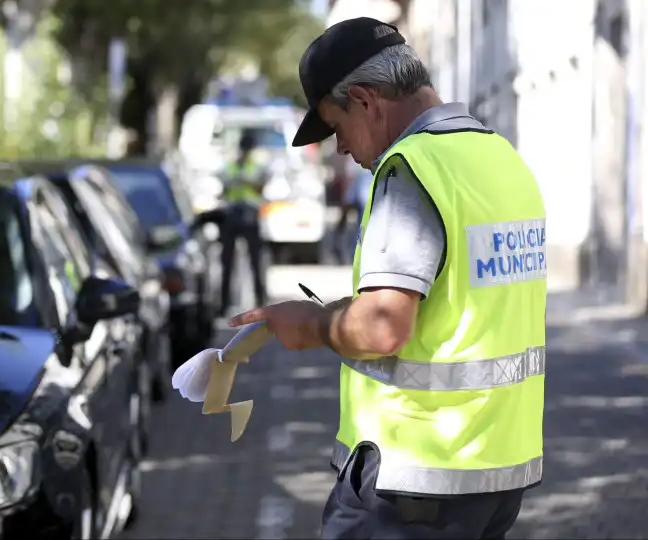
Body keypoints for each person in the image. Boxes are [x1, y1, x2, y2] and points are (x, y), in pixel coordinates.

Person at [229, 17, 546, 540]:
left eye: (336, 128)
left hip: (414, 480)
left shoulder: (412, 170)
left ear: (365, 100)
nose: (342, 150)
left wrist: (309, 324)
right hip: (495, 471)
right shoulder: (500, 159)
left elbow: (381, 328)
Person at [218, 130, 267, 314]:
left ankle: (261, 300)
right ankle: (224, 304)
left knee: (256, 262)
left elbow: (261, 187)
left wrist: (246, 181)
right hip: (231, 217)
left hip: (250, 217)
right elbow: (223, 188)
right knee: (227, 263)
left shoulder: (256, 167)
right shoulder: (230, 166)